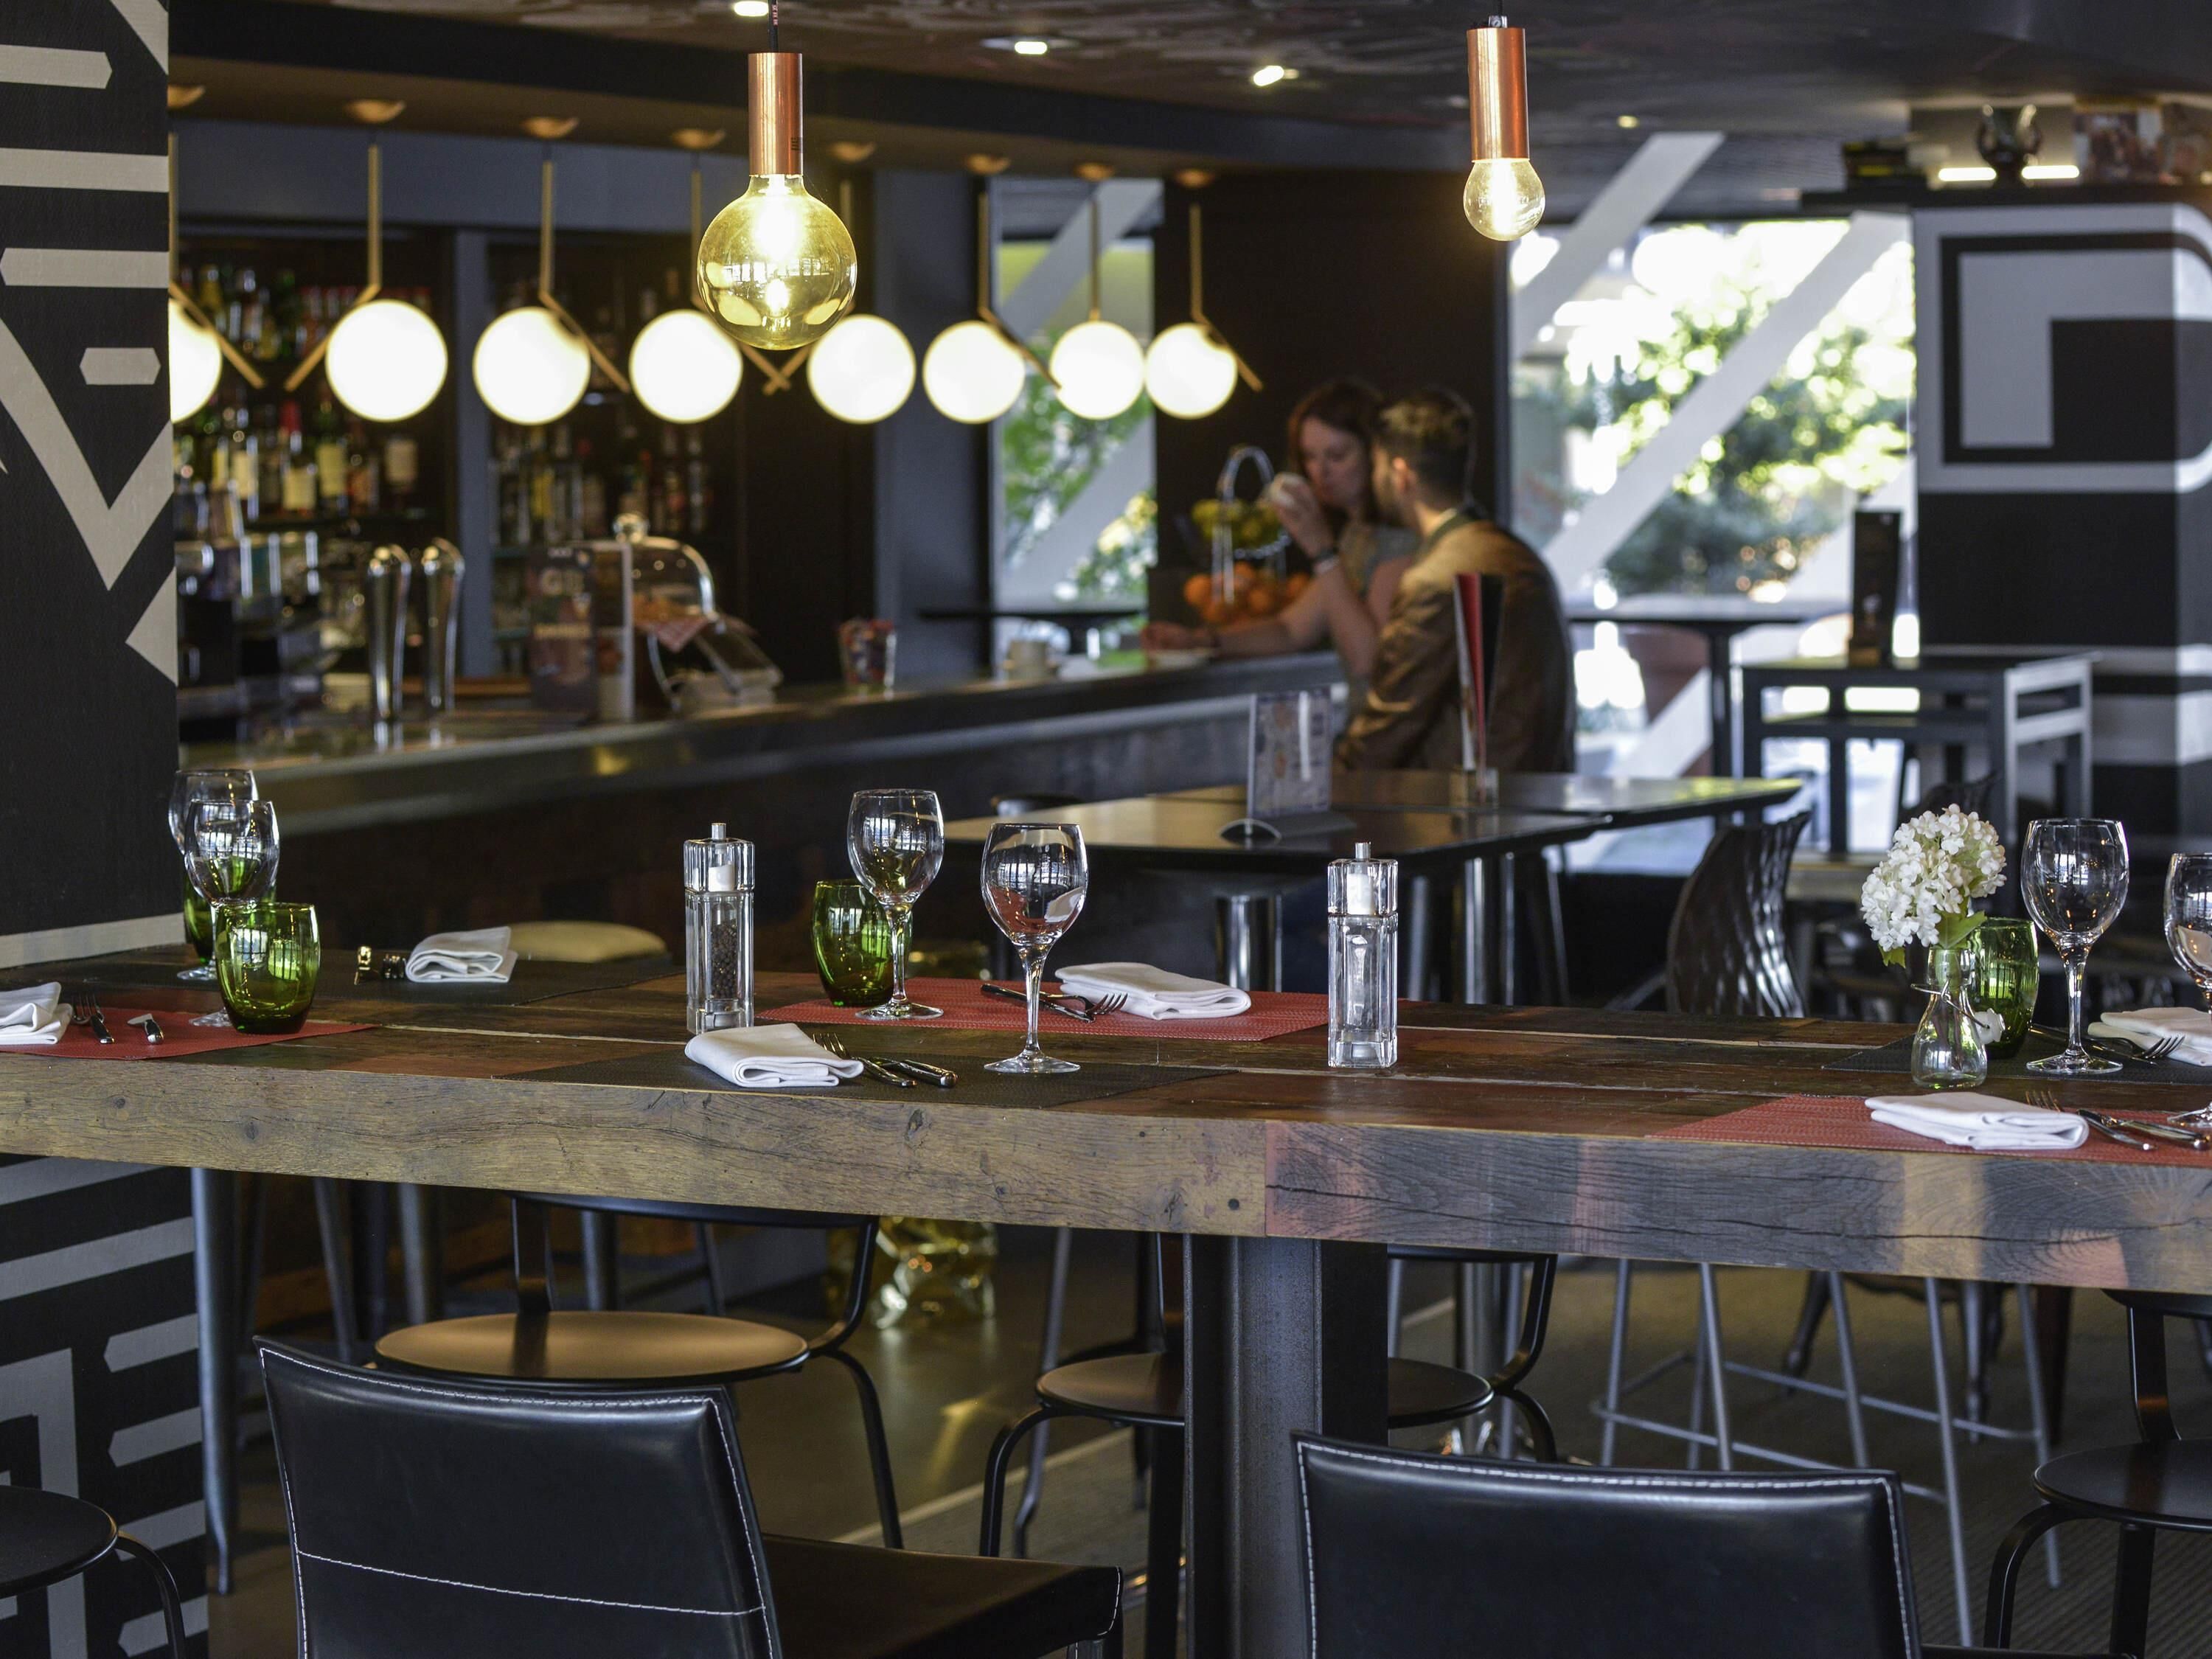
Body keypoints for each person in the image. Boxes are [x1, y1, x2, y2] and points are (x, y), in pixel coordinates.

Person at [1337, 387, 1574, 773]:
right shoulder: (1518, 554)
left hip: (1464, 812)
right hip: (1535, 797)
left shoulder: (1436, 578)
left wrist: (1329, 783)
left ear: (1400, 475)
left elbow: (1392, 722)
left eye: (1378, 467)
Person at [1143, 379, 1416, 684]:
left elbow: (1367, 660)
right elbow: (1291, 629)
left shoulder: (1400, 540)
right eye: (1310, 457)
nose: (1320, 472)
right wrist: (1198, 640)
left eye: (1337, 456)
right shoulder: (1356, 534)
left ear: (1374, 454)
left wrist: (1322, 551)